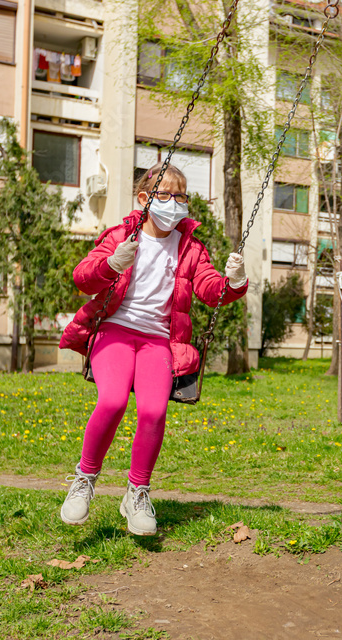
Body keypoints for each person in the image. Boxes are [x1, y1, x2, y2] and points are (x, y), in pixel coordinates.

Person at [57, 164, 248, 535]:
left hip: (158, 341)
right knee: (112, 401)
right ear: (144, 199)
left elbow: (211, 289)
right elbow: (83, 276)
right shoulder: (122, 236)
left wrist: (235, 281)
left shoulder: (190, 248)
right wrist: (111, 264)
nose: (175, 203)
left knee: (154, 410)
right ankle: (84, 480)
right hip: (114, 330)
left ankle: (137, 493)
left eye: (181, 196)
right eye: (166, 195)